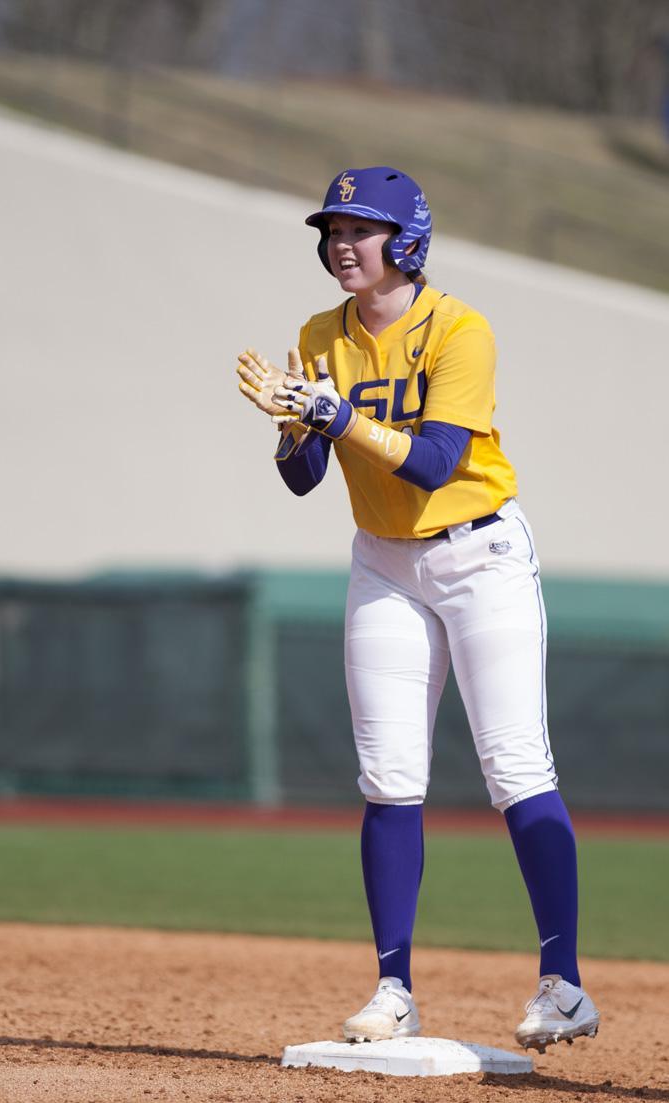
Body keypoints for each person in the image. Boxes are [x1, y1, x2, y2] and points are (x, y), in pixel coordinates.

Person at [236, 166, 600, 1054]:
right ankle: (393, 987)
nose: (341, 244)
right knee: (388, 776)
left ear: (407, 240)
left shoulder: (460, 330)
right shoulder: (320, 332)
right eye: (333, 230)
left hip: (480, 555)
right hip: (384, 563)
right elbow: (301, 479)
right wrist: (295, 426)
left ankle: (565, 985)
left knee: (515, 763)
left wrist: (335, 416)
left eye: (360, 228)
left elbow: (435, 464)